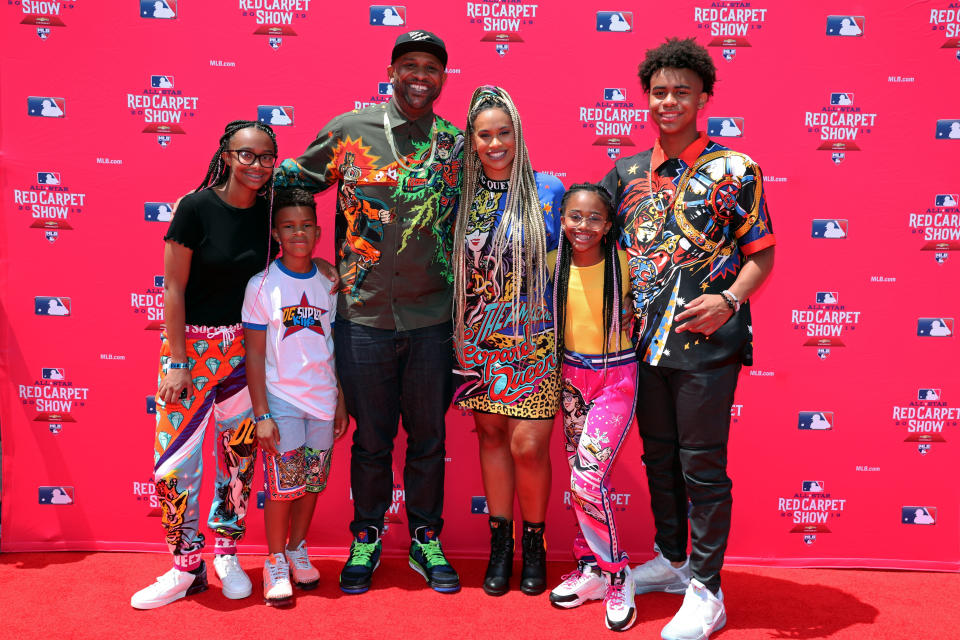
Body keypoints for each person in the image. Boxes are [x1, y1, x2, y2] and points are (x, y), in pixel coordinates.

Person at [274, 30, 463, 595]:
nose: (420, 76)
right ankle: (368, 535)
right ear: (392, 71)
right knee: (371, 441)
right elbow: (289, 183)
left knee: (429, 439)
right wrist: (303, 256)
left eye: (431, 67)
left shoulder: (456, 144)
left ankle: (426, 537)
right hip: (362, 319)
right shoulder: (348, 131)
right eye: (410, 65)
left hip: (432, 319)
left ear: (442, 78)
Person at [601, 38, 775, 640]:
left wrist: (728, 300)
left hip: (706, 345)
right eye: (659, 91)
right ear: (645, 97)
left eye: (681, 91)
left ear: (703, 97)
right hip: (640, 347)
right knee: (657, 457)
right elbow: (589, 238)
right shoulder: (625, 172)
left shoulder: (735, 169)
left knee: (702, 466)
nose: (668, 100)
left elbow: (763, 256)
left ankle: (707, 589)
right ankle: (672, 561)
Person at [130, 120, 281, 610]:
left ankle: (226, 552)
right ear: (226, 155)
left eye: (265, 156)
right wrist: (175, 360)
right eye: (246, 155)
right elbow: (173, 288)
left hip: (242, 351)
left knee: (238, 460)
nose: (256, 165)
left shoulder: (268, 212)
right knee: (174, 466)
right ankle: (185, 566)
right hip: (189, 354)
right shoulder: (194, 207)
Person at [451, 85, 563, 596]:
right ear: (472, 140)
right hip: (477, 342)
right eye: (484, 134)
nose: (495, 143)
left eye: (504, 132)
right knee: (492, 439)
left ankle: (535, 545)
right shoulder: (463, 198)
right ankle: (501, 547)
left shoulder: (550, 191)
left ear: (518, 133)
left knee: (529, 446)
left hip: (535, 342)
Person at [242, 188, 350, 606]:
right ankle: (273, 560)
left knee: (311, 484)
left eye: (306, 226)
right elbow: (253, 355)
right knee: (283, 488)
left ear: (318, 231)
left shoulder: (327, 280)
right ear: (276, 233)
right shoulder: (262, 284)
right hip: (281, 400)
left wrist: (339, 396)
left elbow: (331, 343)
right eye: (289, 227)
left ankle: (296, 548)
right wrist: (261, 412)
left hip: (322, 400)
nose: (299, 233)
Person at [546, 184, 638, 631]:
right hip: (569, 380)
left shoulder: (626, 266)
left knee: (588, 478)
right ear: (562, 219)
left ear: (608, 224)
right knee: (578, 480)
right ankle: (591, 569)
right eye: (575, 217)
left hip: (615, 378)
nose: (584, 227)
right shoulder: (551, 266)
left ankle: (617, 574)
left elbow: (654, 303)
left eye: (594, 219)